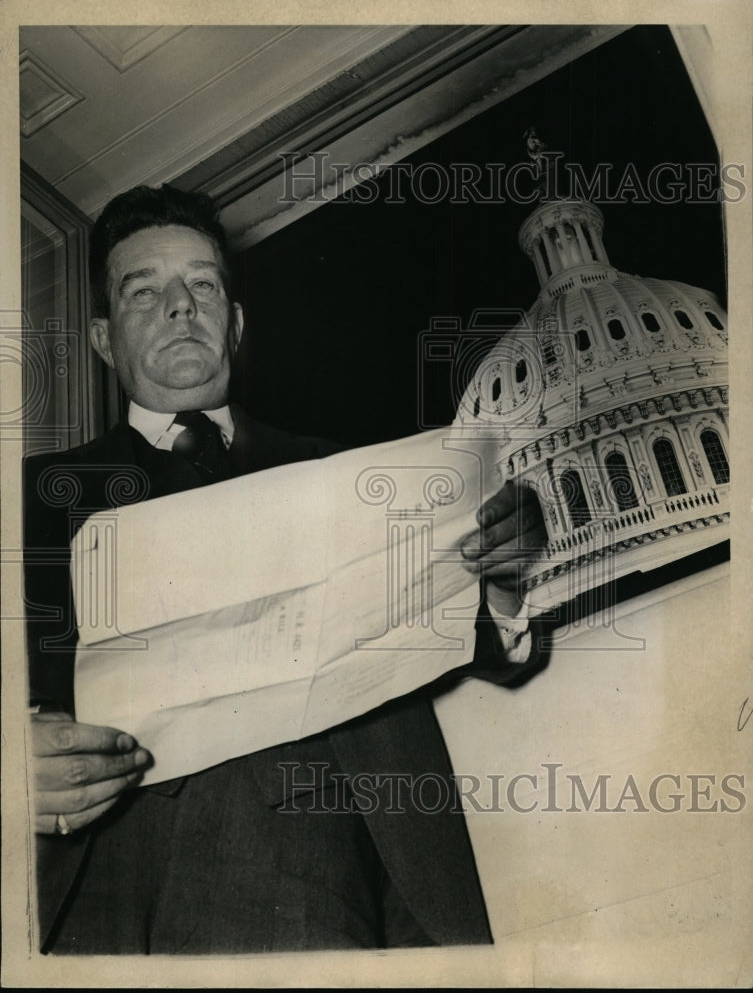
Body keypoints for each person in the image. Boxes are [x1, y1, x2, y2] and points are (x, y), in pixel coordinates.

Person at [24, 184, 549, 955]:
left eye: (202, 284)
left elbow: (459, 629)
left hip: (332, 841)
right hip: (104, 870)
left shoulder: (360, 473)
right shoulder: (29, 497)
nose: (179, 305)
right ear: (104, 341)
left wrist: (500, 579)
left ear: (234, 324)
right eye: (145, 291)